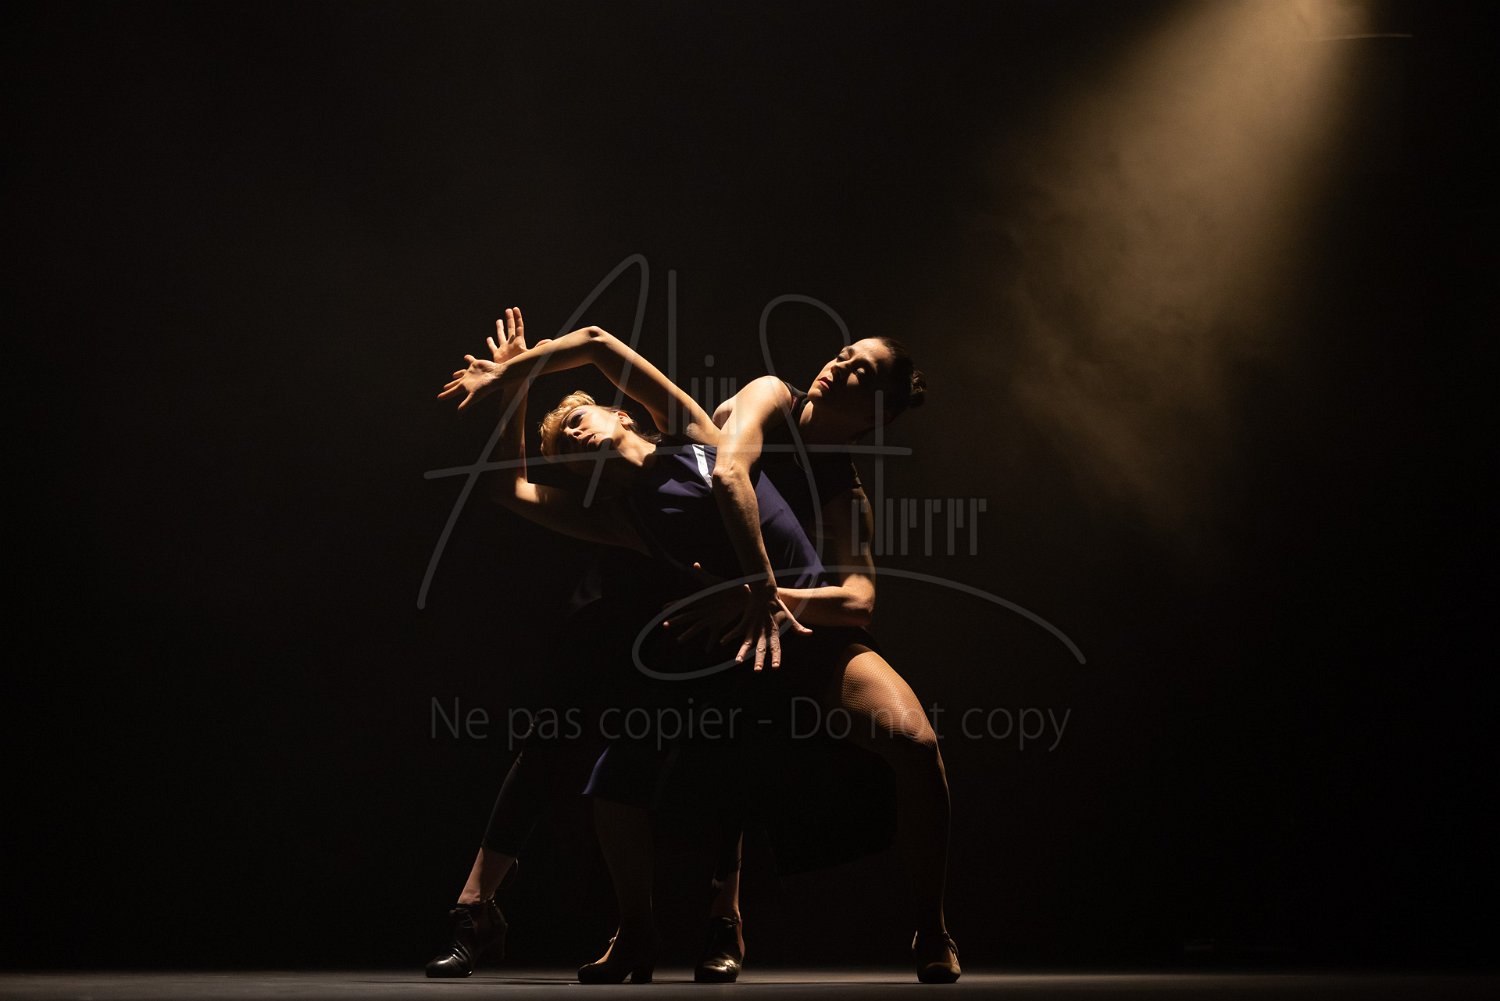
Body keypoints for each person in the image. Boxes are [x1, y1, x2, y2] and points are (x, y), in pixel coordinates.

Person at [438, 308, 960, 984]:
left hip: (801, 633)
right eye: (565, 447)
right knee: (614, 775)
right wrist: (513, 387)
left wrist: (762, 591)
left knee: (915, 741)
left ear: (623, 414)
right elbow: (508, 487)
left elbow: (599, 345)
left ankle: (932, 927)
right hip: (727, 648)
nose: (574, 438)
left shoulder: (692, 433)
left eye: (579, 420)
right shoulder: (626, 520)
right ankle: (638, 932)